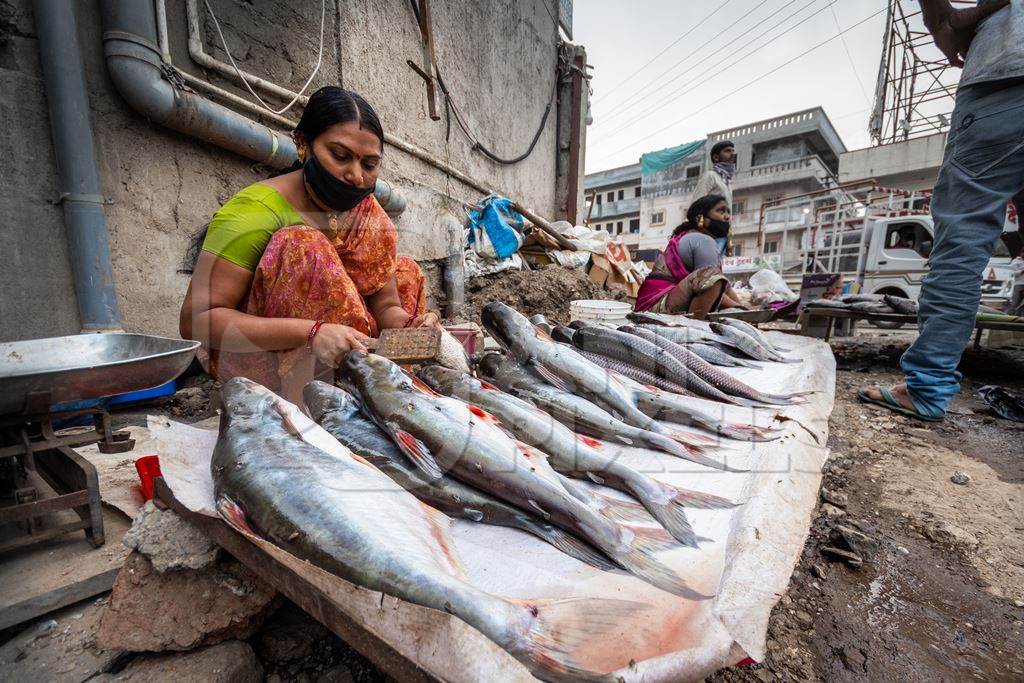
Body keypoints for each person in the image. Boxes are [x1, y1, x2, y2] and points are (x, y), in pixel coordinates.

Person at [179, 87, 439, 402]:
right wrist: (311, 333)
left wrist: (412, 325)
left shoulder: (367, 216)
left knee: (406, 271)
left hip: (345, 346)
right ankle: (306, 401)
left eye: (369, 164)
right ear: (304, 145)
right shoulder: (255, 210)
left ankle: (363, 388)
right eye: (340, 156)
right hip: (261, 363)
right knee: (304, 247)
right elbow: (196, 322)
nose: (356, 176)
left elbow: (385, 306)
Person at [859, 0, 1021, 421]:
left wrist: (940, 17)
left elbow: (946, 18)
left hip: (1006, 73)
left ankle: (927, 388)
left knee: (962, 244)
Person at [634, 194, 747, 319]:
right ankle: (693, 329)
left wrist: (741, 307)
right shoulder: (703, 240)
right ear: (701, 217)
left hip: (649, 304)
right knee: (711, 277)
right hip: (656, 308)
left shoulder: (688, 236)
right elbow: (712, 283)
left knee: (715, 279)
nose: (726, 216)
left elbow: (725, 288)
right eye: (720, 211)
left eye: (727, 212)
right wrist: (740, 309)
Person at [1010, 247, 1024, 315]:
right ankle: (1010, 316)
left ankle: (1018, 316)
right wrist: (1022, 271)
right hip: (1018, 284)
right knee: (1015, 302)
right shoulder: (1015, 261)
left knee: (1022, 304)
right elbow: (1012, 273)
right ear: (1022, 253)